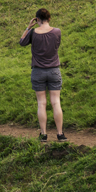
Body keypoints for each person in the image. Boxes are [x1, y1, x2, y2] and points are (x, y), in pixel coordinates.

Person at [19, 8, 66, 143]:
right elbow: (56, 45)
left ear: (37, 19)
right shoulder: (57, 31)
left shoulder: (33, 33)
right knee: (56, 102)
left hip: (38, 71)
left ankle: (43, 134)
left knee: (41, 103)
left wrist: (28, 27)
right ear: (50, 18)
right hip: (54, 70)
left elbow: (22, 42)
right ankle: (60, 134)